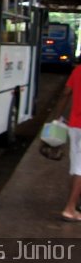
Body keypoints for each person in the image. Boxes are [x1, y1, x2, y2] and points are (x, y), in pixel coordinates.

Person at [52, 66, 81, 221]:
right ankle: (70, 209)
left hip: (74, 126)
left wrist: (57, 117)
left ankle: (74, 205)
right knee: (79, 169)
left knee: (75, 167)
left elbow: (65, 93)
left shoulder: (78, 70)